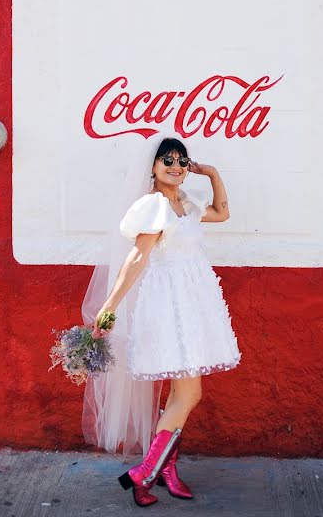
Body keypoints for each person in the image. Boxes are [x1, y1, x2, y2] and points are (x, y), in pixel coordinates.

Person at [80, 135, 242, 507]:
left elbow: (222, 212)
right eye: (167, 160)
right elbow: (136, 258)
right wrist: (110, 307)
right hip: (171, 306)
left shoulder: (185, 203)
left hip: (194, 302)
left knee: (179, 395)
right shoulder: (154, 206)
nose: (175, 166)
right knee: (190, 393)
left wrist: (213, 172)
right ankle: (145, 472)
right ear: (152, 167)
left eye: (182, 161)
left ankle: (163, 471)